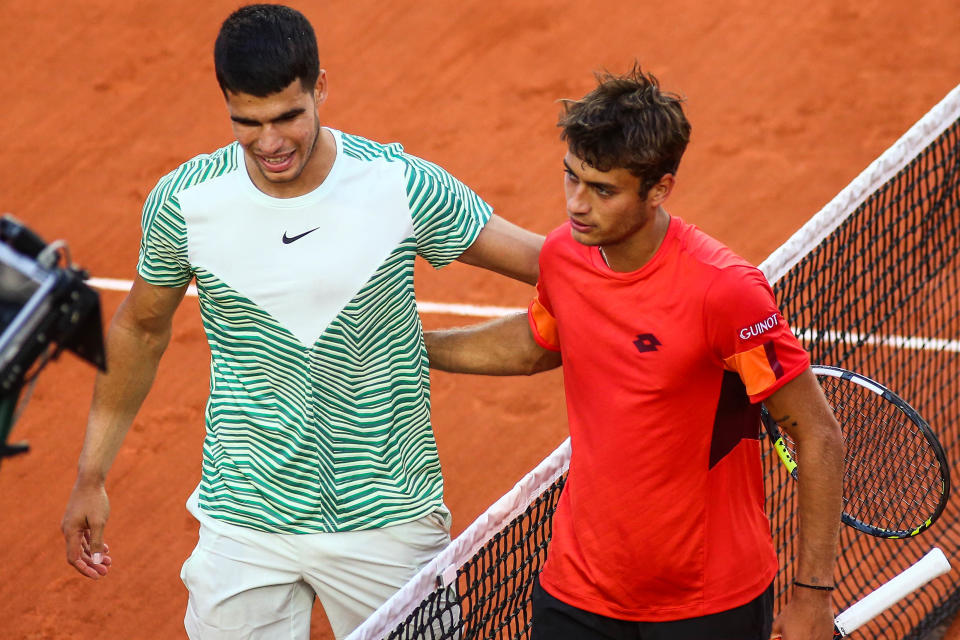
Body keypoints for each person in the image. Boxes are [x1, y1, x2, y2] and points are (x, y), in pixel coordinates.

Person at [59, 4, 542, 639]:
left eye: (288, 116)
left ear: (320, 88)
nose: (270, 143)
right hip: (243, 516)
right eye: (247, 122)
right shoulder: (186, 202)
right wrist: (91, 474)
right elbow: (140, 329)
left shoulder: (396, 184)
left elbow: (551, 265)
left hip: (387, 517)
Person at [425, 65, 844, 640]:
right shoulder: (563, 258)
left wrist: (812, 599)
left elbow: (817, 436)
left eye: (603, 190)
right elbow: (538, 342)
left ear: (659, 188)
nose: (577, 204)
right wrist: (417, 348)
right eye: (571, 177)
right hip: (577, 587)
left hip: (706, 601)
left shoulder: (724, 292)